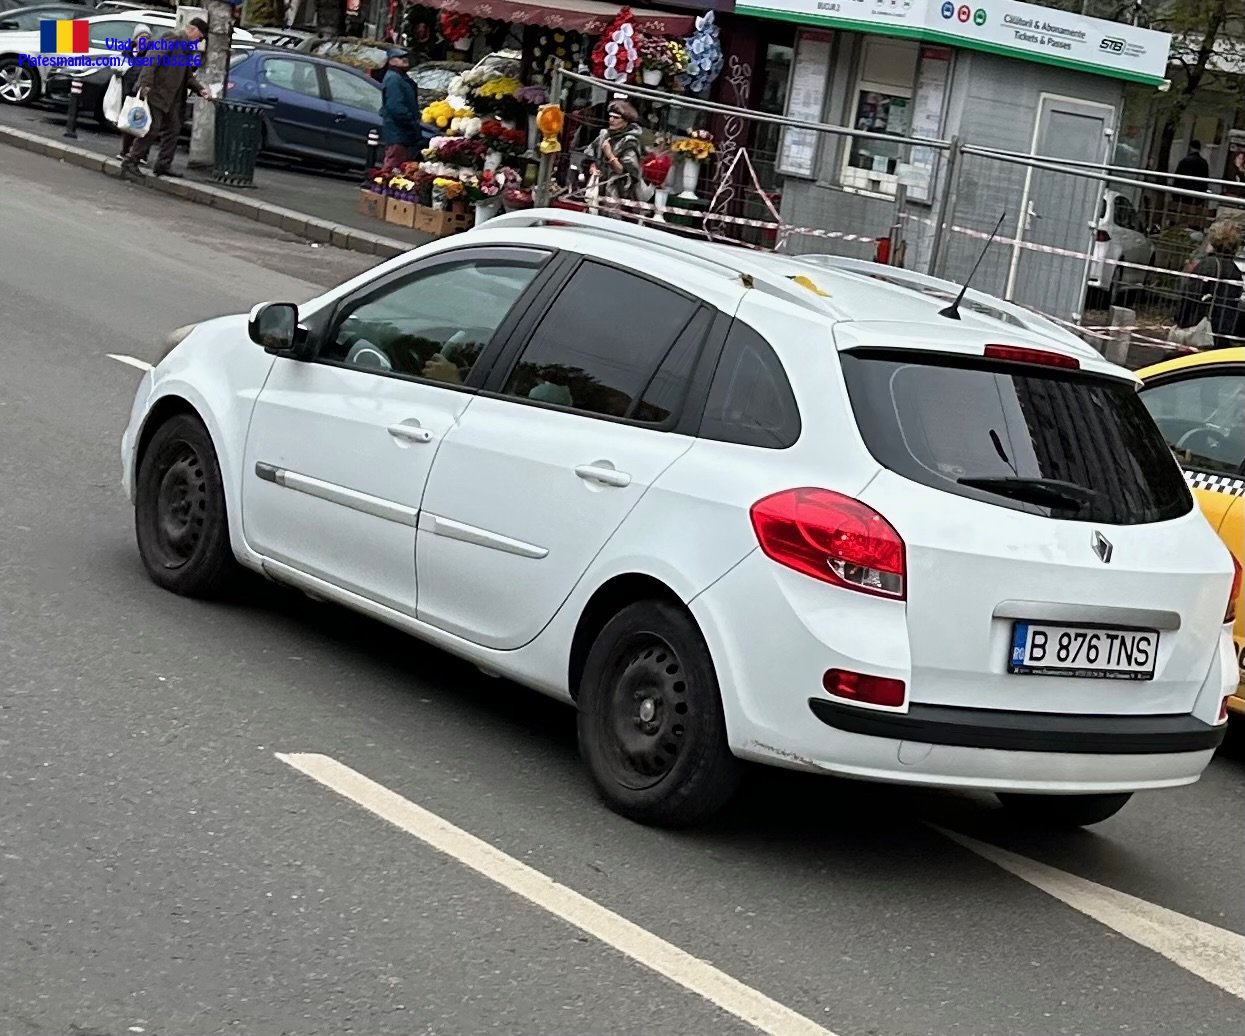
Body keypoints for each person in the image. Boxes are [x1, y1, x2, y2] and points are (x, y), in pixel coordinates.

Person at [119, 17, 211, 180]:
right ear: (193, 30)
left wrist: (200, 89)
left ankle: (163, 165)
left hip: (173, 97)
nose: (199, 41)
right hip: (158, 92)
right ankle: (131, 160)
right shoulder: (172, 38)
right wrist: (146, 84)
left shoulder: (187, 48)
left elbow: (187, 75)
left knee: (174, 130)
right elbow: (152, 60)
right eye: (200, 37)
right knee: (151, 128)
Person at [1174, 219, 1243, 349]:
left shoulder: (1208, 265)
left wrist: (1179, 320)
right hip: (1221, 333)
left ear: (1214, 241)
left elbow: (1190, 296)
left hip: (1199, 329)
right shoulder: (1235, 271)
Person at [585, 100, 647, 212]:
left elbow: (624, 172)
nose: (611, 120)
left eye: (616, 118)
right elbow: (591, 156)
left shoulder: (630, 141)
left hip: (618, 192)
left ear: (626, 121)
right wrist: (593, 168)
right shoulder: (604, 134)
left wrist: (609, 154)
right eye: (610, 116)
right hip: (597, 187)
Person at [114, 24, 153, 163]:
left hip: (142, 92)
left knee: (142, 122)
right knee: (127, 122)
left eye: (147, 38)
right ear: (135, 39)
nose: (144, 41)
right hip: (128, 91)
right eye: (141, 38)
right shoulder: (128, 52)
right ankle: (124, 151)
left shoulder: (151, 54)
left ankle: (141, 154)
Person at [379, 51, 420, 171]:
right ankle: (382, 187)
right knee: (393, 168)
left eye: (405, 57)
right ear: (391, 61)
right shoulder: (394, 79)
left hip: (401, 133)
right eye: (400, 57)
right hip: (399, 133)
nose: (404, 59)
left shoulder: (400, 77)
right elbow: (396, 107)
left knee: (397, 167)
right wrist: (411, 122)